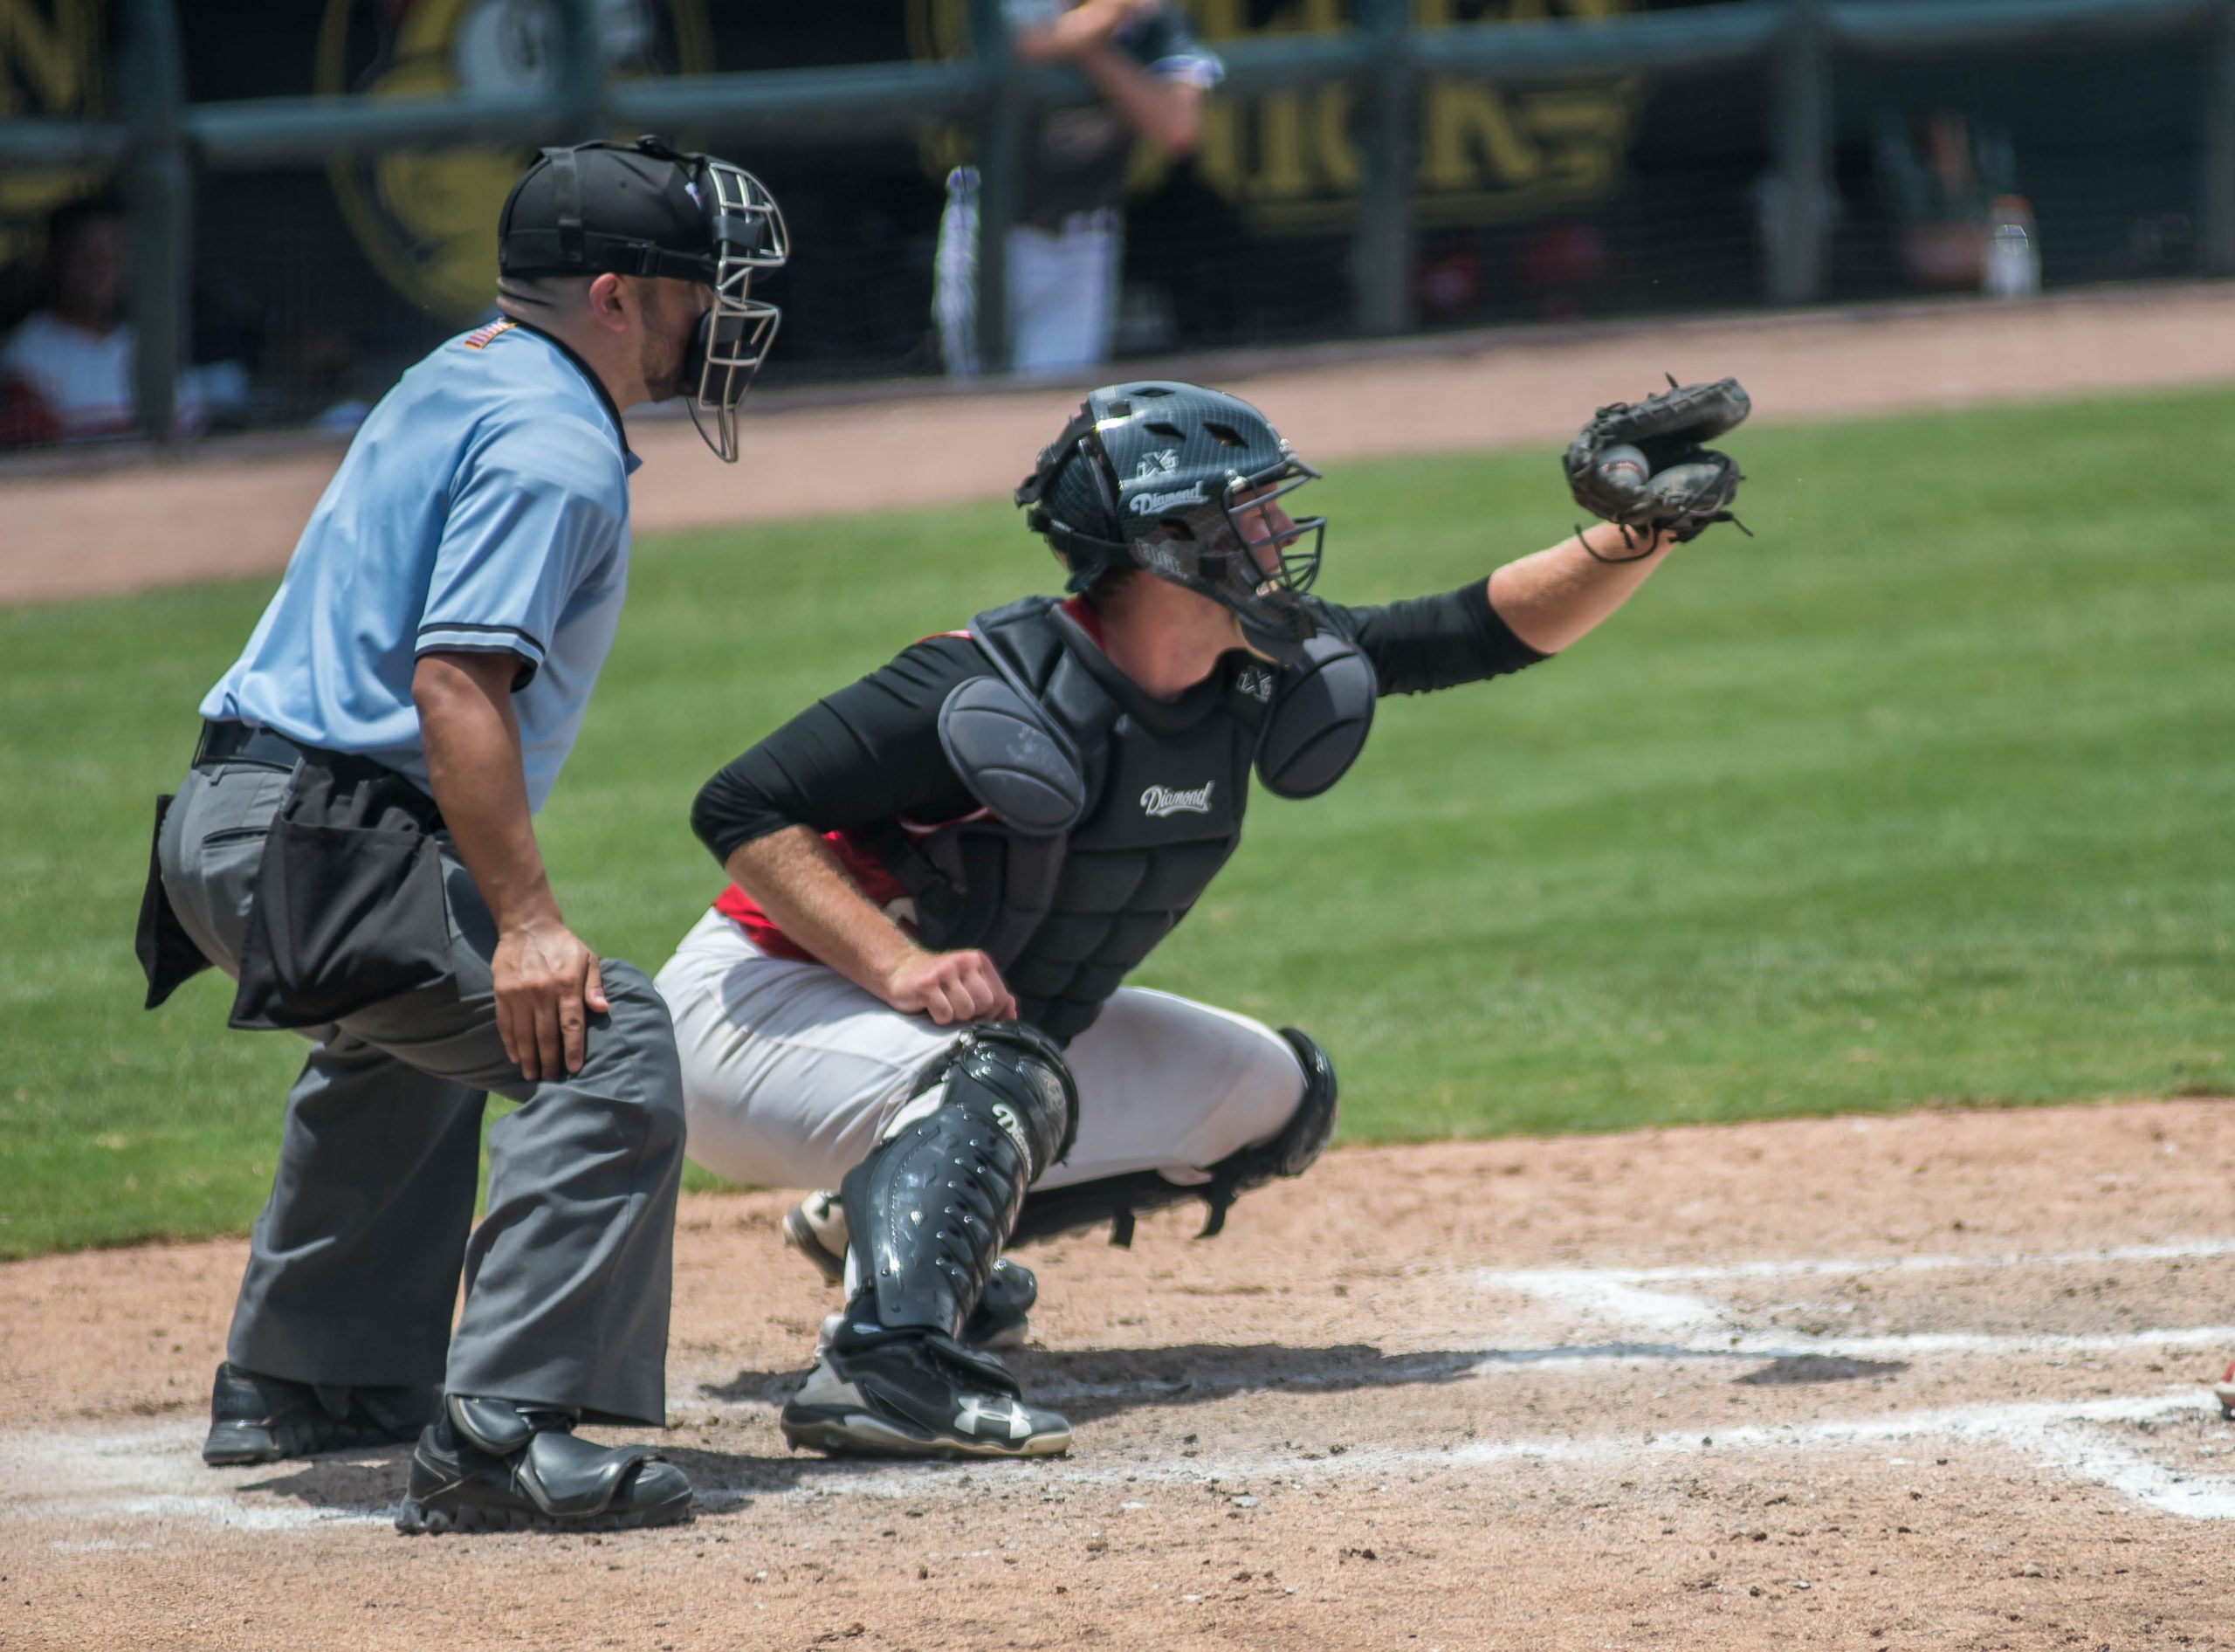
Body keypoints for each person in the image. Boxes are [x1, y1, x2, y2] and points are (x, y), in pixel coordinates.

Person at [652, 376, 1749, 1459]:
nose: (1280, 531)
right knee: (1004, 1073)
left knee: (1272, 1097)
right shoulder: (979, 684)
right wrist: (893, 961)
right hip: (754, 1013)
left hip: (944, 1049)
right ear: (1166, 538)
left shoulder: (1255, 665)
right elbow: (741, 804)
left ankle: (901, 1243)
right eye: (1251, 508)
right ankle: (881, 1367)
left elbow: (1471, 630)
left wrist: (1644, 531)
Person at [136, 136, 787, 1533]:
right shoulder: (558, 443)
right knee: (600, 1034)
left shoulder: (467, 369)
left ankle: (311, 1375)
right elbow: (454, 683)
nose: (713, 313)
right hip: (316, 838)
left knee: (417, 1033)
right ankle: (502, 1433)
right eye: (694, 286)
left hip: (241, 821)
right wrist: (535, 925)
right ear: (614, 297)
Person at [934, 0, 1221, 377]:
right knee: (979, 394)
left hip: (1082, 242)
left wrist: (1092, 50)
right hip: (988, 235)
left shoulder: (1154, 19)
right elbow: (1011, 48)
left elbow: (1179, 129)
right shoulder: (1021, 7)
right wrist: (1102, 21)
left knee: (1058, 399)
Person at [0, 196, 206, 446]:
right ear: (55, 259)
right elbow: (40, 445)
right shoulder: (28, 352)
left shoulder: (148, 344)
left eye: (112, 254)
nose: (100, 266)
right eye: (85, 253)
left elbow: (193, 435)